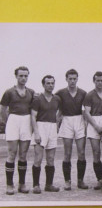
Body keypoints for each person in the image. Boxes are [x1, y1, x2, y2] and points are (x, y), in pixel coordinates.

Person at [0, 66, 34, 195]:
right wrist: (7, 122)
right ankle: (9, 185)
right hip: (13, 120)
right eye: (21, 76)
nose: (23, 78)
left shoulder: (31, 92)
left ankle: (22, 184)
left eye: (26, 76)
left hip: (26, 121)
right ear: (16, 76)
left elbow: (34, 109)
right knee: (12, 153)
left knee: (23, 154)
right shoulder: (9, 92)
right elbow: (2, 109)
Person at [56, 69, 87, 190]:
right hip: (67, 120)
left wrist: (86, 123)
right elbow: (56, 107)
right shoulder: (60, 93)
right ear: (66, 79)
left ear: (77, 79)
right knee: (67, 153)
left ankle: (80, 180)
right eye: (70, 79)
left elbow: (86, 110)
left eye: (74, 79)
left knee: (82, 152)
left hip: (79, 120)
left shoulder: (83, 93)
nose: (72, 81)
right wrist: (57, 120)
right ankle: (67, 181)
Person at [84, 71, 102, 190]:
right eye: (98, 80)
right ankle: (99, 180)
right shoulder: (89, 95)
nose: (100, 83)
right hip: (93, 123)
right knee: (96, 153)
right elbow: (87, 112)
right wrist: (96, 126)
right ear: (94, 81)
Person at [31, 75, 61, 194]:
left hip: (52, 127)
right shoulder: (38, 99)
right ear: (43, 85)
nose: (50, 85)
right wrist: (36, 132)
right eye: (48, 83)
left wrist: (57, 122)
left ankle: (49, 185)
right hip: (41, 126)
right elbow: (33, 116)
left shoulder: (57, 99)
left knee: (50, 159)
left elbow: (61, 111)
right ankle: (36, 185)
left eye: (52, 83)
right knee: (38, 158)